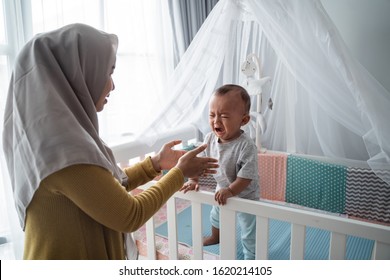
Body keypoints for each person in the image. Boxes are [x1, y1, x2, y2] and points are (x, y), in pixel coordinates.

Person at [2, 23, 218, 260]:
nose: (112, 85)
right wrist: (179, 173)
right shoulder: (62, 151)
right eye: (108, 73)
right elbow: (129, 215)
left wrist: (154, 164)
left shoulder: (56, 136)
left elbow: (105, 188)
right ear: (77, 75)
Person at [181, 84, 259, 260]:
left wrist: (231, 191)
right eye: (212, 115)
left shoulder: (246, 146)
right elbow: (197, 162)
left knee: (249, 229)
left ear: (243, 120)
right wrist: (194, 180)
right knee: (215, 216)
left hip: (246, 194)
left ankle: (252, 256)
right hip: (222, 188)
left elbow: (246, 177)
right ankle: (216, 236)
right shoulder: (209, 139)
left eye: (224, 116)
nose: (216, 121)